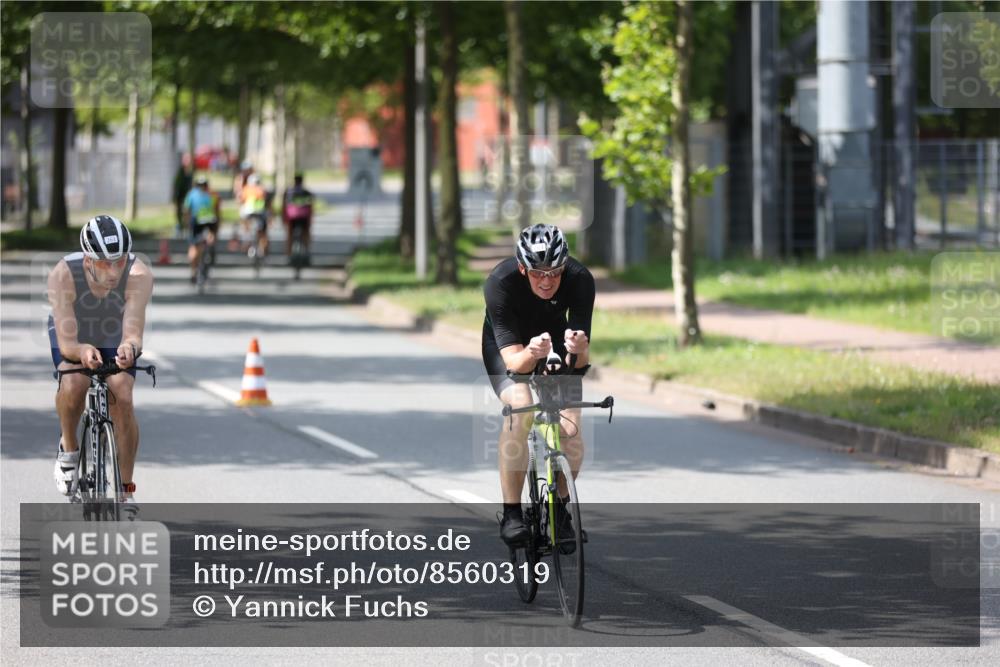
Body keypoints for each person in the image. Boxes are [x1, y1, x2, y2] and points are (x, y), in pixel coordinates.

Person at [481, 224, 594, 547]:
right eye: (537, 273)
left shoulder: (581, 280)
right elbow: (514, 363)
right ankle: (513, 512)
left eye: (555, 273)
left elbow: (581, 362)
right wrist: (532, 353)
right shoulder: (500, 283)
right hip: (512, 347)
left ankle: (558, 508)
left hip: (555, 343)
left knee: (571, 431)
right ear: (522, 268)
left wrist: (578, 347)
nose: (547, 281)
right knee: (520, 407)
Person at [47, 215, 153, 516]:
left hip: (112, 330)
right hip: (74, 330)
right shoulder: (63, 275)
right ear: (88, 260)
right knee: (74, 383)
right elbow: (67, 343)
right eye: (105, 263)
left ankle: (125, 492)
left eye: (119, 261)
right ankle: (69, 449)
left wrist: (128, 348)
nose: (114, 270)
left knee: (123, 392)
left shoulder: (139, 275)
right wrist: (81, 350)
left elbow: (132, 331)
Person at [182, 174, 221, 284]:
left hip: (197, 221)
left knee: (194, 247)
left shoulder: (191, 194)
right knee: (211, 239)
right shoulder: (213, 194)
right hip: (210, 222)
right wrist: (217, 229)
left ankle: (193, 271)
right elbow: (217, 211)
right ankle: (210, 252)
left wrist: (186, 224)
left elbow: (186, 210)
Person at [281, 172, 314, 260]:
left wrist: (283, 218)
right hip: (304, 218)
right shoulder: (307, 192)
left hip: (292, 218)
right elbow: (311, 207)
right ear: (302, 181)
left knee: (289, 235)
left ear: (294, 181)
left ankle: (288, 255)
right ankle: (307, 251)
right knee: (306, 233)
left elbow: (284, 206)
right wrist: (310, 220)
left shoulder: (288, 192)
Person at [240, 173, 270, 258]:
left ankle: (246, 241)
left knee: (246, 227)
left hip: (248, 214)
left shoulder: (246, 189)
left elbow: (241, 201)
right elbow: (267, 203)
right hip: (261, 213)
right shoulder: (263, 190)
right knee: (263, 233)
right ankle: (264, 251)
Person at [171, 153, 193, 237]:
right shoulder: (181, 172)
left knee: (187, 214)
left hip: (187, 198)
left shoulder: (189, 173)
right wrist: (176, 199)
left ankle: (185, 230)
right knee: (180, 214)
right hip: (180, 198)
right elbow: (177, 186)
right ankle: (179, 229)